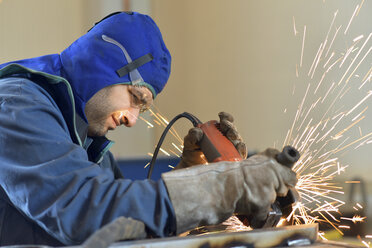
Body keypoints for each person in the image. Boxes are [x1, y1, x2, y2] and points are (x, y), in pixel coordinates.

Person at [0, 12, 297, 246]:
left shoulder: (87, 142)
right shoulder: (17, 105)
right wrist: (220, 188)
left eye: (141, 109)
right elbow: (82, 212)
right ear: (101, 66)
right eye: (134, 98)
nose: (132, 119)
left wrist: (192, 176)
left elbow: (126, 229)